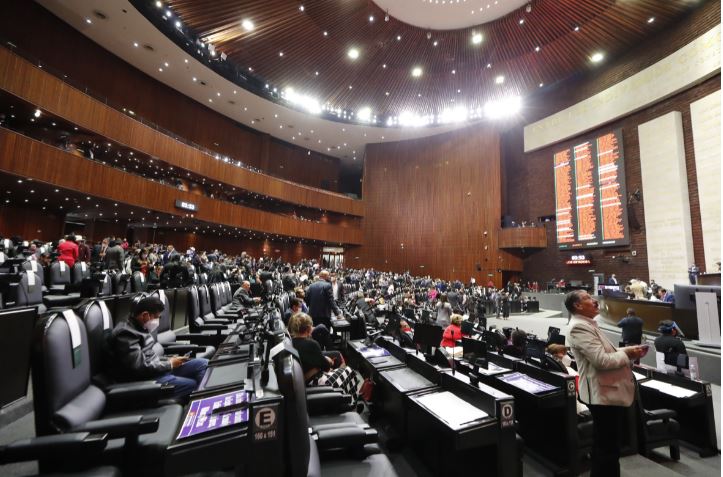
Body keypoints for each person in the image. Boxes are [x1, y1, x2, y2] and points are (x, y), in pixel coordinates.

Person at [565, 290, 646, 477]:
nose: (594, 301)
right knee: (608, 450)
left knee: (605, 447)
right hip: (603, 395)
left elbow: (607, 350)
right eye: (588, 298)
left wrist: (628, 349)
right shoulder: (579, 327)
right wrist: (628, 355)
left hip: (604, 393)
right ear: (577, 306)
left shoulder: (587, 324)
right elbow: (601, 360)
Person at [110, 295, 208, 400]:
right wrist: (169, 364)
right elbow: (139, 367)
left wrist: (170, 360)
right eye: (157, 317)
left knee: (203, 364)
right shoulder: (126, 333)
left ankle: (206, 396)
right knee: (192, 384)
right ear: (145, 315)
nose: (158, 320)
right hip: (146, 379)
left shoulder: (140, 326)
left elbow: (148, 357)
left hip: (158, 370)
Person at [288, 313, 359, 398]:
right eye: (311, 326)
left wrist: (323, 360)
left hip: (304, 381)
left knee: (338, 358)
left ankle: (344, 394)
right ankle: (350, 400)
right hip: (315, 382)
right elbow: (326, 367)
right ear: (308, 329)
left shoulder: (291, 342)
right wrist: (328, 361)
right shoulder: (311, 344)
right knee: (349, 370)